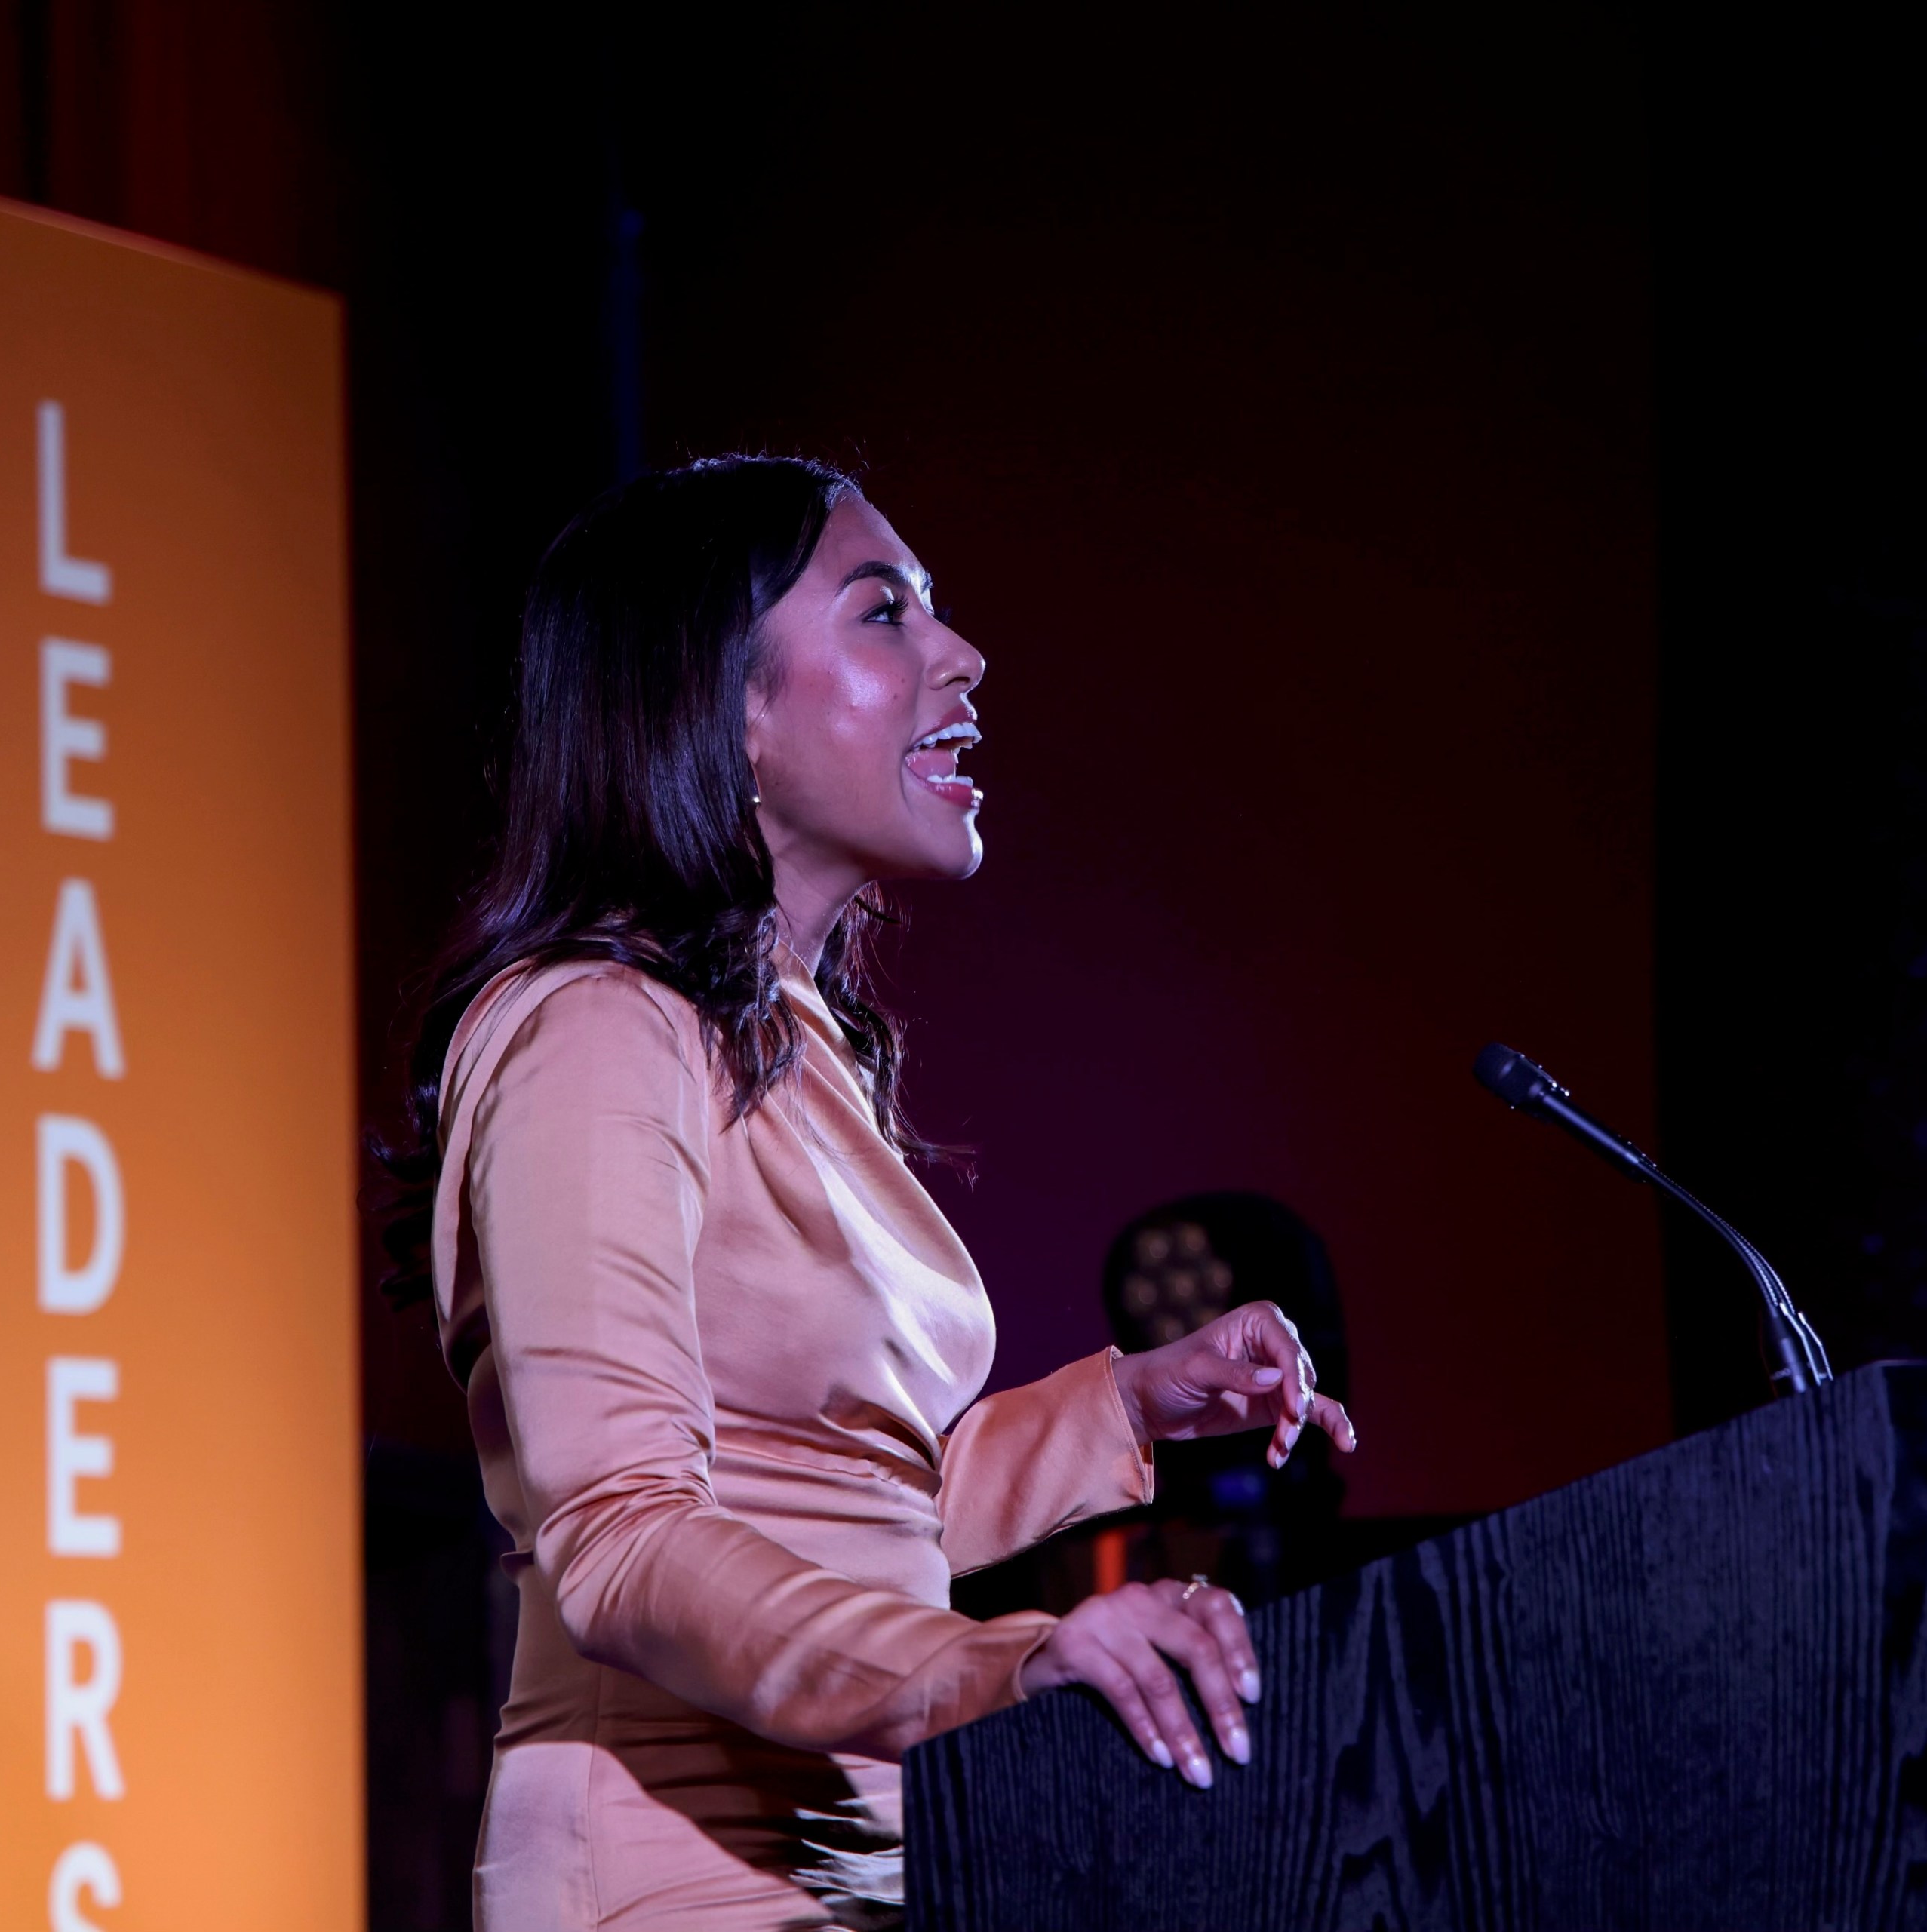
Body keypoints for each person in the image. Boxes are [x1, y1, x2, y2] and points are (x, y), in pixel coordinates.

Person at [397, 456, 1357, 1930]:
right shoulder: (592, 1029)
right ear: (726, 706)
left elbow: (849, 1501)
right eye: (883, 612)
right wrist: (1006, 1664)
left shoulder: (792, 1045)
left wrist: (1123, 1407)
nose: (960, 655)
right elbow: (627, 1539)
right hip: (674, 1881)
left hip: (869, 1858)